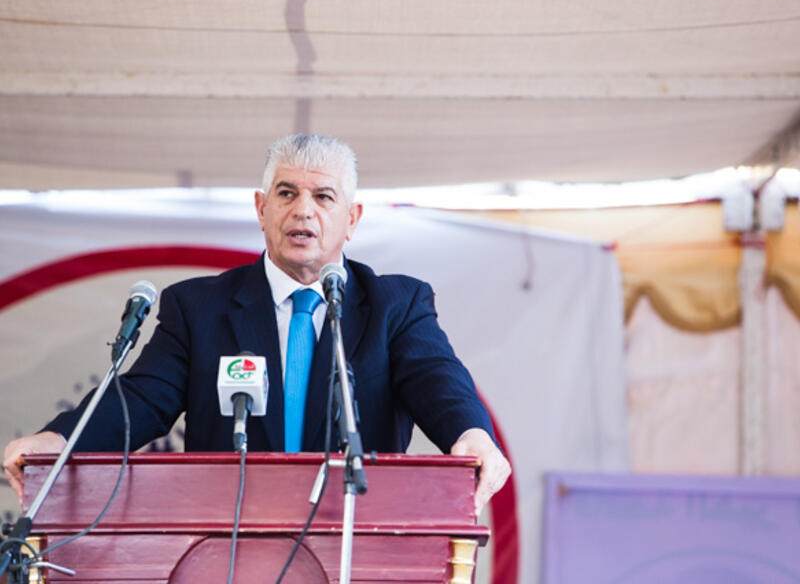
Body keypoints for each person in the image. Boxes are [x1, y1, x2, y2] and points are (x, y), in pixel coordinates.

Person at [3, 134, 510, 513]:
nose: (302, 211)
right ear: (262, 209)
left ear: (352, 218)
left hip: (354, 535)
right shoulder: (199, 307)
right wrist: (59, 440)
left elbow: (436, 378)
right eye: (286, 194)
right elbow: (140, 400)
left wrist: (472, 433)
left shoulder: (394, 304)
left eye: (323, 197)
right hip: (226, 539)